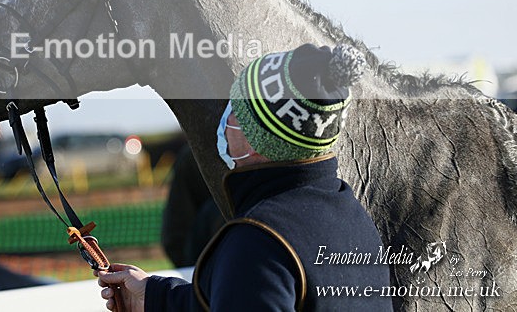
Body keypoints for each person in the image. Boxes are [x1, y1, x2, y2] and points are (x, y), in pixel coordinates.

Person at [98, 44, 393, 311]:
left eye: (237, 110)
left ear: (257, 138)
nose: (225, 118)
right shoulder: (352, 216)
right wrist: (155, 297)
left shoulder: (257, 241)